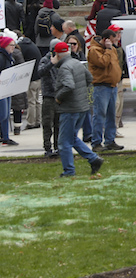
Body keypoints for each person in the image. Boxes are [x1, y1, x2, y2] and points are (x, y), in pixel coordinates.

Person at [54, 42, 104, 178]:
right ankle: (94, 159)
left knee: (64, 142)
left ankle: (69, 171)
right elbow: (89, 78)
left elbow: (69, 86)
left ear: (57, 54)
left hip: (70, 109)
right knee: (72, 138)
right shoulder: (76, 63)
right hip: (82, 107)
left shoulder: (64, 68)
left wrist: (58, 98)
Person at [87, 30, 123, 151]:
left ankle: (110, 140)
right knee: (99, 115)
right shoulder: (94, 50)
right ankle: (96, 142)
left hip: (112, 86)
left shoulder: (112, 49)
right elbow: (103, 63)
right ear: (106, 39)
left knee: (111, 115)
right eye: (113, 40)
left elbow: (115, 64)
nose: (115, 42)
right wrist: (107, 49)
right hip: (101, 86)